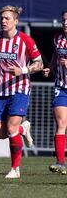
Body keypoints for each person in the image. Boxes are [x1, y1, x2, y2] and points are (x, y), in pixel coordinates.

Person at [0, 5, 43, 178]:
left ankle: (15, 169)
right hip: (0, 90)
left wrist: (22, 71)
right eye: (2, 18)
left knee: (11, 128)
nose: (3, 21)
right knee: (0, 133)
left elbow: (39, 64)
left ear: (16, 21)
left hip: (20, 90)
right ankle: (24, 129)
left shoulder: (26, 41)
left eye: (7, 18)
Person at [42, 10, 67, 175]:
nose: (65, 23)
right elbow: (55, 55)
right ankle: (60, 163)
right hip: (61, 86)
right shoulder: (57, 39)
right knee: (61, 124)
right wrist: (50, 67)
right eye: (63, 20)